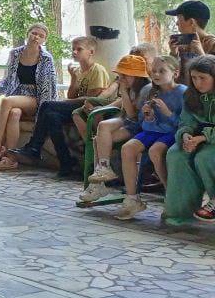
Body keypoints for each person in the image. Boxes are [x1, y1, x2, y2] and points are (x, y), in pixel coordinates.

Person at [9, 35, 112, 178]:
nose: (74, 52)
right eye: (73, 49)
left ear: (91, 52)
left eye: (79, 49)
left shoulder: (97, 70)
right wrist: (74, 78)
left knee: (47, 105)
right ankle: (65, 162)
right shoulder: (79, 71)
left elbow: (92, 99)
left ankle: (34, 147)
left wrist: (66, 102)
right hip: (77, 108)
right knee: (51, 117)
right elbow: (72, 95)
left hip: (89, 110)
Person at [0, 24, 56, 171]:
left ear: (44, 40)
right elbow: (8, 79)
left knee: (7, 101)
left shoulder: (46, 58)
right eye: (34, 33)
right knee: (14, 113)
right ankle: (11, 159)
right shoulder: (15, 53)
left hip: (36, 98)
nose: (36, 37)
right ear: (28, 34)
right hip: (17, 94)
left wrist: (44, 112)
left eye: (41, 36)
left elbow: (48, 86)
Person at [114, 56, 185, 220]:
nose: (156, 75)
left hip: (171, 133)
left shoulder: (183, 92)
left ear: (175, 73)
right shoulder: (150, 91)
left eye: (162, 71)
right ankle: (132, 198)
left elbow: (185, 123)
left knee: (155, 151)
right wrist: (148, 116)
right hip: (152, 131)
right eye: (154, 71)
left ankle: (170, 194)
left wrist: (168, 113)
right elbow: (142, 122)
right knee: (127, 148)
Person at [163, 55, 215, 225]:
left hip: (210, 140)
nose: (198, 82)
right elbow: (185, 121)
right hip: (198, 138)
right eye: (194, 78)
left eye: (203, 78)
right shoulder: (190, 95)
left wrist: (203, 137)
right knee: (176, 154)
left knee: (205, 157)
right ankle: (179, 213)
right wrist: (186, 135)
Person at [71, 43, 158, 142]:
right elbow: (111, 91)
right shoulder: (126, 75)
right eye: (135, 59)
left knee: (94, 111)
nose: (139, 63)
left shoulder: (151, 81)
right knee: (80, 110)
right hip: (119, 102)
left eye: (143, 60)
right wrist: (102, 105)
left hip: (131, 114)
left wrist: (103, 109)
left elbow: (132, 112)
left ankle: (99, 139)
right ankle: (91, 143)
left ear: (154, 60)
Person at [86, 53, 150, 184]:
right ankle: (103, 170)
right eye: (120, 75)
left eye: (125, 75)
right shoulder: (131, 87)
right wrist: (103, 107)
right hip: (127, 120)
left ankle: (100, 180)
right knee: (102, 128)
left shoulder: (145, 90)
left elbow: (132, 115)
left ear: (137, 76)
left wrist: (124, 91)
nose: (121, 79)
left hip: (138, 125)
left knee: (99, 140)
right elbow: (123, 109)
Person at [165, 0, 215, 85]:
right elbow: (173, 75)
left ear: (191, 22)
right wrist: (174, 54)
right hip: (184, 91)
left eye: (179, 19)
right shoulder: (182, 44)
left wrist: (200, 53)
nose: (176, 23)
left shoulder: (212, 44)